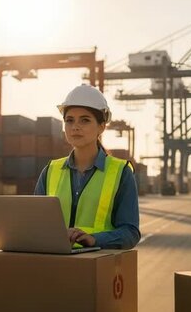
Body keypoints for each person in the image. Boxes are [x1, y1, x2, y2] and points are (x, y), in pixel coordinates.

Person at [34, 84, 140, 250]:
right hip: (54, 265)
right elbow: (35, 226)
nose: (75, 126)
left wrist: (94, 239)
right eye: (69, 120)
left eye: (85, 120)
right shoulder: (49, 171)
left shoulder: (121, 172)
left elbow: (130, 233)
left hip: (97, 265)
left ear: (101, 127)